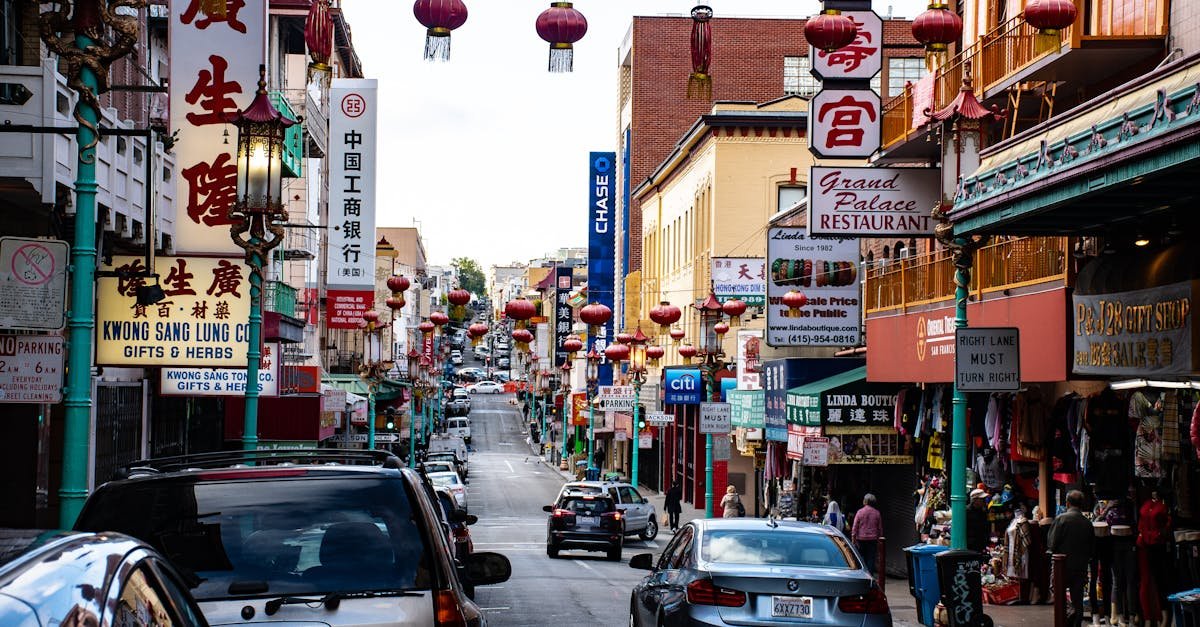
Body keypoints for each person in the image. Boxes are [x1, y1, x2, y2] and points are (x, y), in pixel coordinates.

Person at [1049, 490, 1095, 627]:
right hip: (1080, 566)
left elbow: (1052, 543)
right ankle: (1076, 620)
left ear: (1067, 503)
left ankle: (1067, 614)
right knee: (1078, 597)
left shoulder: (1061, 519)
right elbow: (1092, 548)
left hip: (1062, 566)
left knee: (1056, 591)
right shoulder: (1087, 523)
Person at [851, 493, 883, 576]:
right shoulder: (877, 513)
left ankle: (862, 575)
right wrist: (880, 539)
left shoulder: (860, 512)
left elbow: (855, 527)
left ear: (865, 501)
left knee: (861, 558)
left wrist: (853, 539)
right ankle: (870, 576)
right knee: (871, 559)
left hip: (860, 539)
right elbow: (879, 528)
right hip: (872, 540)